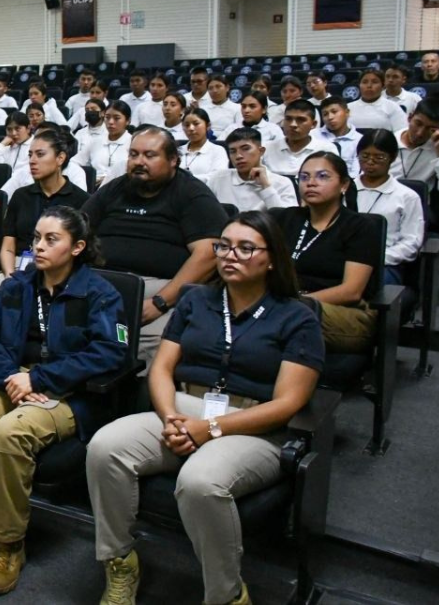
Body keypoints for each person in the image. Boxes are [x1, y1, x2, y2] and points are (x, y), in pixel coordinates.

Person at [87, 211, 324, 605]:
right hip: (185, 406)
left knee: (200, 481)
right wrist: (170, 417)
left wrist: (211, 429)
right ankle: (119, 561)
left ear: (272, 259)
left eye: (246, 248)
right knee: (105, 447)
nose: (230, 255)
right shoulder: (196, 299)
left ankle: (227, 595)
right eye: (224, 246)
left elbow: (288, 403)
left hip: (255, 425)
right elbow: (161, 368)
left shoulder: (297, 316)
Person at [0, 206, 124, 593]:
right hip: (11, 378)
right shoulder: (18, 285)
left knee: (9, 435)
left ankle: (8, 544)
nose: (38, 246)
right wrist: (12, 377)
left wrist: (38, 378)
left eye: (52, 239)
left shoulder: (100, 293)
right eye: (36, 238)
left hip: (66, 392)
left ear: (78, 247)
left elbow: (109, 353)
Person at [81, 127, 226, 363]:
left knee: (158, 345)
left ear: (173, 160)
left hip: (159, 291)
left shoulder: (192, 193)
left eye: (150, 155)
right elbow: (76, 229)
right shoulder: (115, 188)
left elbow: (209, 253)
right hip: (100, 283)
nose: (139, 162)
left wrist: (160, 302)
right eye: (134, 154)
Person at [271, 152, 382, 353]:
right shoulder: (286, 218)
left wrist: (295, 303)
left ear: (344, 185)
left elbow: (351, 291)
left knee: (282, 316)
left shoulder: (360, 226)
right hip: (287, 303)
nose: (311, 183)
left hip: (342, 313)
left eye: (322, 176)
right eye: (304, 177)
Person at [0, 132, 89, 277]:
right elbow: (8, 246)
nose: (32, 161)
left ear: (60, 158)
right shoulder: (21, 195)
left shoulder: (81, 200)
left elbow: (81, 252)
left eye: (40, 154)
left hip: (61, 271)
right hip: (19, 267)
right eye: (30, 155)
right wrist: (11, 278)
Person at [353, 129, 423, 286]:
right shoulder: (343, 190)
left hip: (384, 264)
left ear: (392, 157)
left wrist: (377, 258)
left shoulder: (407, 196)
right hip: (342, 259)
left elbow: (411, 243)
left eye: (379, 157)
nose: (370, 162)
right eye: (364, 156)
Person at [205, 128, 299, 211]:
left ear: (261, 151)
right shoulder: (218, 179)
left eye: (245, 149)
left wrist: (266, 187)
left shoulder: (282, 183)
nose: (238, 156)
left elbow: (287, 221)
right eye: (233, 151)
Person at [263, 100, 335, 177]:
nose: (293, 124)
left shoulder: (326, 150)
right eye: (288, 119)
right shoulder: (266, 148)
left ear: (313, 124)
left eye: (301, 120)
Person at [75, 100, 134, 187]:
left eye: (116, 118)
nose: (110, 122)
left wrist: (108, 179)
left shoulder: (133, 143)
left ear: (128, 121)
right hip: (94, 187)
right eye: (107, 117)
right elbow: (75, 162)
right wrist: (84, 179)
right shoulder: (96, 141)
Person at [392, 97, 439, 186]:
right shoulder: (388, 141)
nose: (420, 133)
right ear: (410, 117)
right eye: (418, 124)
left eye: (430, 129)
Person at [348, 69, 409, 133]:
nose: (369, 86)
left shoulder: (392, 107)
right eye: (364, 82)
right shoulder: (348, 108)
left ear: (383, 86)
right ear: (359, 85)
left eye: (374, 82)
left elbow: (401, 133)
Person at [318, 97, 363, 177]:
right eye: (325, 114)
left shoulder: (360, 140)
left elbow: (356, 173)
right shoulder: (313, 135)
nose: (330, 117)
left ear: (347, 112)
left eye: (334, 112)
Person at [178, 108, 229, 179]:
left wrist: (188, 179)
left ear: (208, 126)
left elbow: (218, 177)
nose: (191, 128)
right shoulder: (178, 150)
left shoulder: (218, 150)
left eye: (196, 124)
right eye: (187, 125)